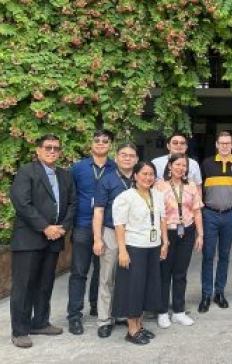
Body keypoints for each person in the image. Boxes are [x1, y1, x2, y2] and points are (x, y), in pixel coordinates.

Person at [9, 134, 77, 349]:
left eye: (56, 148)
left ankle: (40, 322)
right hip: (29, 239)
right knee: (24, 285)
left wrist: (62, 228)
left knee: (45, 284)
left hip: (54, 239)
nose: (52, 151)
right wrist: (45, 227)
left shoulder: (65, 176)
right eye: (48, 147)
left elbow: (72, 204)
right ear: (38, 150)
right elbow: (22, 203)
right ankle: (20, 330)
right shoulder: (27, 171)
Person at [112, 162, 168, 345]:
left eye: (151, 174)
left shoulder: (158, 196)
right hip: (134, 247)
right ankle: (132, 329)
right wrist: (122, 251)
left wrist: (164, 242)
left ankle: (139, 324)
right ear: (135, 175)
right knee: (133, 288)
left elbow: (162, 220)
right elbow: (119, 225)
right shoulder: (125, 197)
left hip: (153, 247)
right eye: (144, 174)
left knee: (147, 287)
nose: (148, 177)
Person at [67, 129, 115, 335]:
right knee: (79, 272)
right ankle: (74, 315)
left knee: (102, 271)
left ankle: (97, 306)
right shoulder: (78, 168)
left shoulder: (116, 167)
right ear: (91, 144)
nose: (101, 143)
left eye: (105, 141)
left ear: (110, 145)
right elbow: (70, 195)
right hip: (83, 225)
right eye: (97, 140)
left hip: (107, 226)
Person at [92, 143, 138, 339]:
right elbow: (99, 211)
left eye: (131, 155)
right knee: (107, 277)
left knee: (128, 278)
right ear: (116, 157)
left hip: (135, 234)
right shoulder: (107, 180)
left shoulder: (141, 179)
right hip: (111, 232)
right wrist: (97, 239)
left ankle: (122, 314)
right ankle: (104, 320)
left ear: (136, 159)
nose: (127, 158)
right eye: (123, 155)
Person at [199, 131, 232, 313]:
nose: (225, 146)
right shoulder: (207, 163)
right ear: (217, 145)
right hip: (209, 214)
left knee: (224, 256)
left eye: (228, 143)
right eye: (221, 143)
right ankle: (206, 294)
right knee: (208, 256)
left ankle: (219, 293)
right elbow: (198, 187)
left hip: (230, 215)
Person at [155, 154, 204, 329]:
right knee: (164, 273)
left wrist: (200, 234)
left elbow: (197, 211)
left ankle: (178, 311)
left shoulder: (191, 186)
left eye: (184, 165)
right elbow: (158, 214)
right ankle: (161, 312)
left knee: (180, 273)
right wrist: (163, 240)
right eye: (177, 164)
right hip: (166, 232)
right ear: (170, 166)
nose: (180, 168)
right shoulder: (159, 186)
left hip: (187, 232)